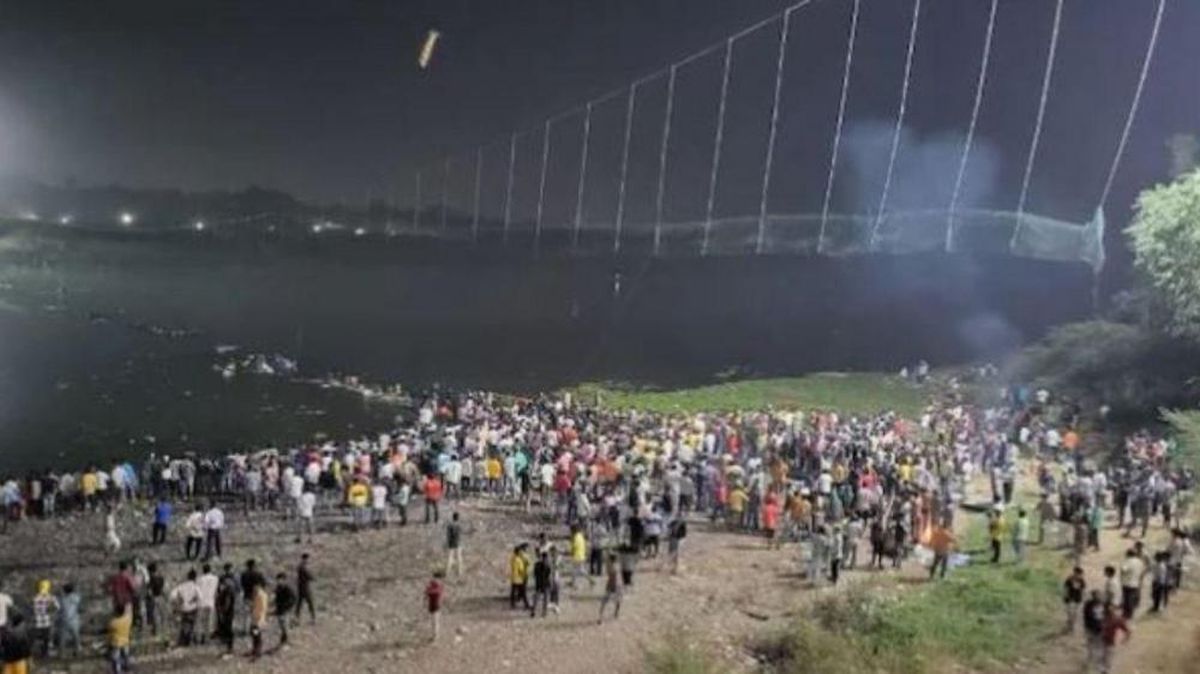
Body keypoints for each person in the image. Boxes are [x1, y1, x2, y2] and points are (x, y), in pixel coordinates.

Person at [169, 569, 201, 647]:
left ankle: (183, 640)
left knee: (184, 624)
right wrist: (194, 602)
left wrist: (178, 602)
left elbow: (172, 595)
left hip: (183, 608)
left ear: (187, 577)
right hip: (193, 608)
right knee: (192, 624)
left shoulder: (182, 586)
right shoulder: (196, 587)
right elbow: (200, 597)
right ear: (195, 577)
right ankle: (190, 640)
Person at [30, 580, 58, 658]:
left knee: (37, 638)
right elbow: (57, 607)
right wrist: (49, 610)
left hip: (37, 621)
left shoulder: (35, 598)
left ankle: (34, 653)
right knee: (46, 638)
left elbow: (33, 609)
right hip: (47, 621)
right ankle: (45, 653)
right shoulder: (51, 597)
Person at [1100, 603, 1131, 674]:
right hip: (1102, 641)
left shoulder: (1117, 619)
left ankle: (1106, 671)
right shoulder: (1104, 617)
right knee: (1103, 659)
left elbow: (1128, 630)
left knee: (1108, 660)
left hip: (1110, 642)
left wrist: (1125, 639)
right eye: (1108, 609)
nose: (1110, 611)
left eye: (1112, 609)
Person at [215, 564, 238, 655]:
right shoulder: (227, 584)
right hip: (227, 610)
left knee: (227, 627)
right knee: (226, 626)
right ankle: (228, 645)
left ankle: (229, 646)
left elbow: (227, 603)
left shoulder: (227, 591)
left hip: (227, 611)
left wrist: (223, 610)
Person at [1082, 589, 1106, 672]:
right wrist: (1086, 628)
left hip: (1100, 629)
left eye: (1099, 595)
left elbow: (1106, 616)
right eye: (1097, 596)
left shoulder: (1103, 604)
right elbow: (1085, 617)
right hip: (1091, 629)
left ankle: (1098, 666)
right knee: (1091, 647)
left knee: (1100, 648)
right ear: (1093, 596)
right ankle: (1089, 663)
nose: (1098, 597)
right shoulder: (1088, 605)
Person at [1118, 549, 1146, 619]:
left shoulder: (1127, 561)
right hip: (1135, 582)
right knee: (1131, 598)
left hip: (1127, 582)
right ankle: (1130, 613)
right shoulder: (1139, 561)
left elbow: (1123, 570)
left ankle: (1126, 613)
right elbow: (1143, 571)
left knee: (1126, 599)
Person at [57, 583, 82, 658]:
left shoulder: (62, 599)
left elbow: (58, 606)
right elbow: (79, 601)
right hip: (74, 620)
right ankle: (77, 651)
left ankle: (62, 653)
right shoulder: (76, 598)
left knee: (62, 638)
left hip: (64, 620)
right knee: (76, 637)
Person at [107, 604, 133, 674]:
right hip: (125, 641)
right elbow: (128, 614)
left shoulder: (113, 622)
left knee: (116, 658)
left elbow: (109, 631)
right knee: (126, 655)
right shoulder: (128, 620)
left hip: (116, 642)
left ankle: (118, 671)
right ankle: (127, 668)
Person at [196, 564, 219, 645]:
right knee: (209, 620)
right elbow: (216, 590)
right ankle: (207, 637)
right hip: (210, 601)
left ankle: (201, 636)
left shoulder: (199, 579)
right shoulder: (215, 578)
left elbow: (197, 591)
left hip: (201, 602)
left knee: (202, 621)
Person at [597, 553, 622, 624]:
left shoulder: (612, 567)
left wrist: (610, 586)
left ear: (611, 560)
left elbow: (613, 578)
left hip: (612, 585)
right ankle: (616, 614)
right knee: (617, 600)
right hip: (617, 585)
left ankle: (600, 617)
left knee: (604, 602)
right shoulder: (614, 566)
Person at [272, 573, 296, 647]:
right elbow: (276, 598)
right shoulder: (278, 588)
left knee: (284, 624)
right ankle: (284, 638)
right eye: (278, 580)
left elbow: (293, 599)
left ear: (284, 580)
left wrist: (288, 606)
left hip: (285, 609)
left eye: (281, 580)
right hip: (279, 609)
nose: (279, 581)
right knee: (281, 625)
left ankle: (286, 640)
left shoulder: (288, 588)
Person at [248, 577, 268, 660]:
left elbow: (263, 608)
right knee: (254, 634)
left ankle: (258, 652)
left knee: (257, 635)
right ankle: (255, 649)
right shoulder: (257, 594)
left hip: (258, 619)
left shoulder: (261, 595)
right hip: (255, 617)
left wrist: (259, 618)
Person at [1062, 567, 1086, 634]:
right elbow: (1065, 588)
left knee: (1076, 613)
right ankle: (1070, 623)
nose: (1079, 575)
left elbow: (1083, 589)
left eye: (1080, 574)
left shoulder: (1081, 580)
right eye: (1077, 573)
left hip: (1078, 599)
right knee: (1070, 613)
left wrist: (1083, 598)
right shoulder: (1069, 579)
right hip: (1069, 599)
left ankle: (1072, 626)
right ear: (1074, 572)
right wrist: (1065, 596)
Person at [508, 545, 531, 610]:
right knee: (523, 592)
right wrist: (524, 574)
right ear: (518, 552)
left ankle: (512, 604)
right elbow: (521, 570)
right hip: (519, 578)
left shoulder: (512, 558)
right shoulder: (518, 560)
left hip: (513, 577)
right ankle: (526, 605)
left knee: (513, 591)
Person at [296, 554, 316, 624]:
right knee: (310, 603)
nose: (308, 561)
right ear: (305, 559)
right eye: (307, 559)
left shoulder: (300, 567)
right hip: (305, 588)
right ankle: (312, 618)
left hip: (300, 588)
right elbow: (309, 576)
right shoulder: (303, 567)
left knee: (299, 604)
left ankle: (297, 618)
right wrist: (313, 578)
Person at [531, 551, 552, 618]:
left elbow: (534, 575)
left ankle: (535, 611)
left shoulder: (537, 565)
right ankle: (543, 613)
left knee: (537, 599)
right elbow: (549, 576)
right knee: (543, 599)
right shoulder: (547, 566)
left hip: (540, 584)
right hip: (543, 584)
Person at [425, 571, 444, 642]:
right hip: (432, 604)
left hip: (436, 605)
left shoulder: (438, 586)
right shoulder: (432, 585)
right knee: (433, 621)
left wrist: (429, 590)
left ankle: (435, 636)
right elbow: (427, 592)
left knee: (435, 621)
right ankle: (434, 635)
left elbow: (434, 592)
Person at [445, 512, 464, 578]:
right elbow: (461, 533)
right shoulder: (459, 525)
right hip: (458, 543)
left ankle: (447, 572)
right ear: (458, 518)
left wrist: (447, 543)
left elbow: (448, 535)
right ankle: (459, 572)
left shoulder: (449, 525)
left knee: (450, 558)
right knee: (459, 558)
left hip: (451, 543)